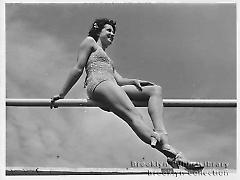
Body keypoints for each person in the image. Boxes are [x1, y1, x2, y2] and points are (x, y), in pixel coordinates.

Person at [51, 18, 204, 171]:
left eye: (113, 32)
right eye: (109, 30)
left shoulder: (107, 58)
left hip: (111, 84)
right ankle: (174, 155)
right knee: (134, 116)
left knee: (155, 90)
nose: (112, 34)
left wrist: (134, 81)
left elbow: (119, 80)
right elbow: (78, 69)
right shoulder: (90, 42)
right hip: (98, 84)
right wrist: (62, 94)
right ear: (98, 30)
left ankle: (160, 132)